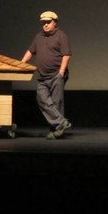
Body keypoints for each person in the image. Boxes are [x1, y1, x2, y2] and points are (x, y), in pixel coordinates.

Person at [21, 11, 72, 140]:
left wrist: (61, 72)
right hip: (43, 77)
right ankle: (61, 123)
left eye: (48, 22)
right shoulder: (38, 36)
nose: (45, 25)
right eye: (43, 23)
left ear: (55, 22)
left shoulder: (61, 36)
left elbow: (66, 54)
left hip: (56, 75)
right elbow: (30, 51)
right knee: (41, 99)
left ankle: (57, 132)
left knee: (56, 103)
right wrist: (21, 63)